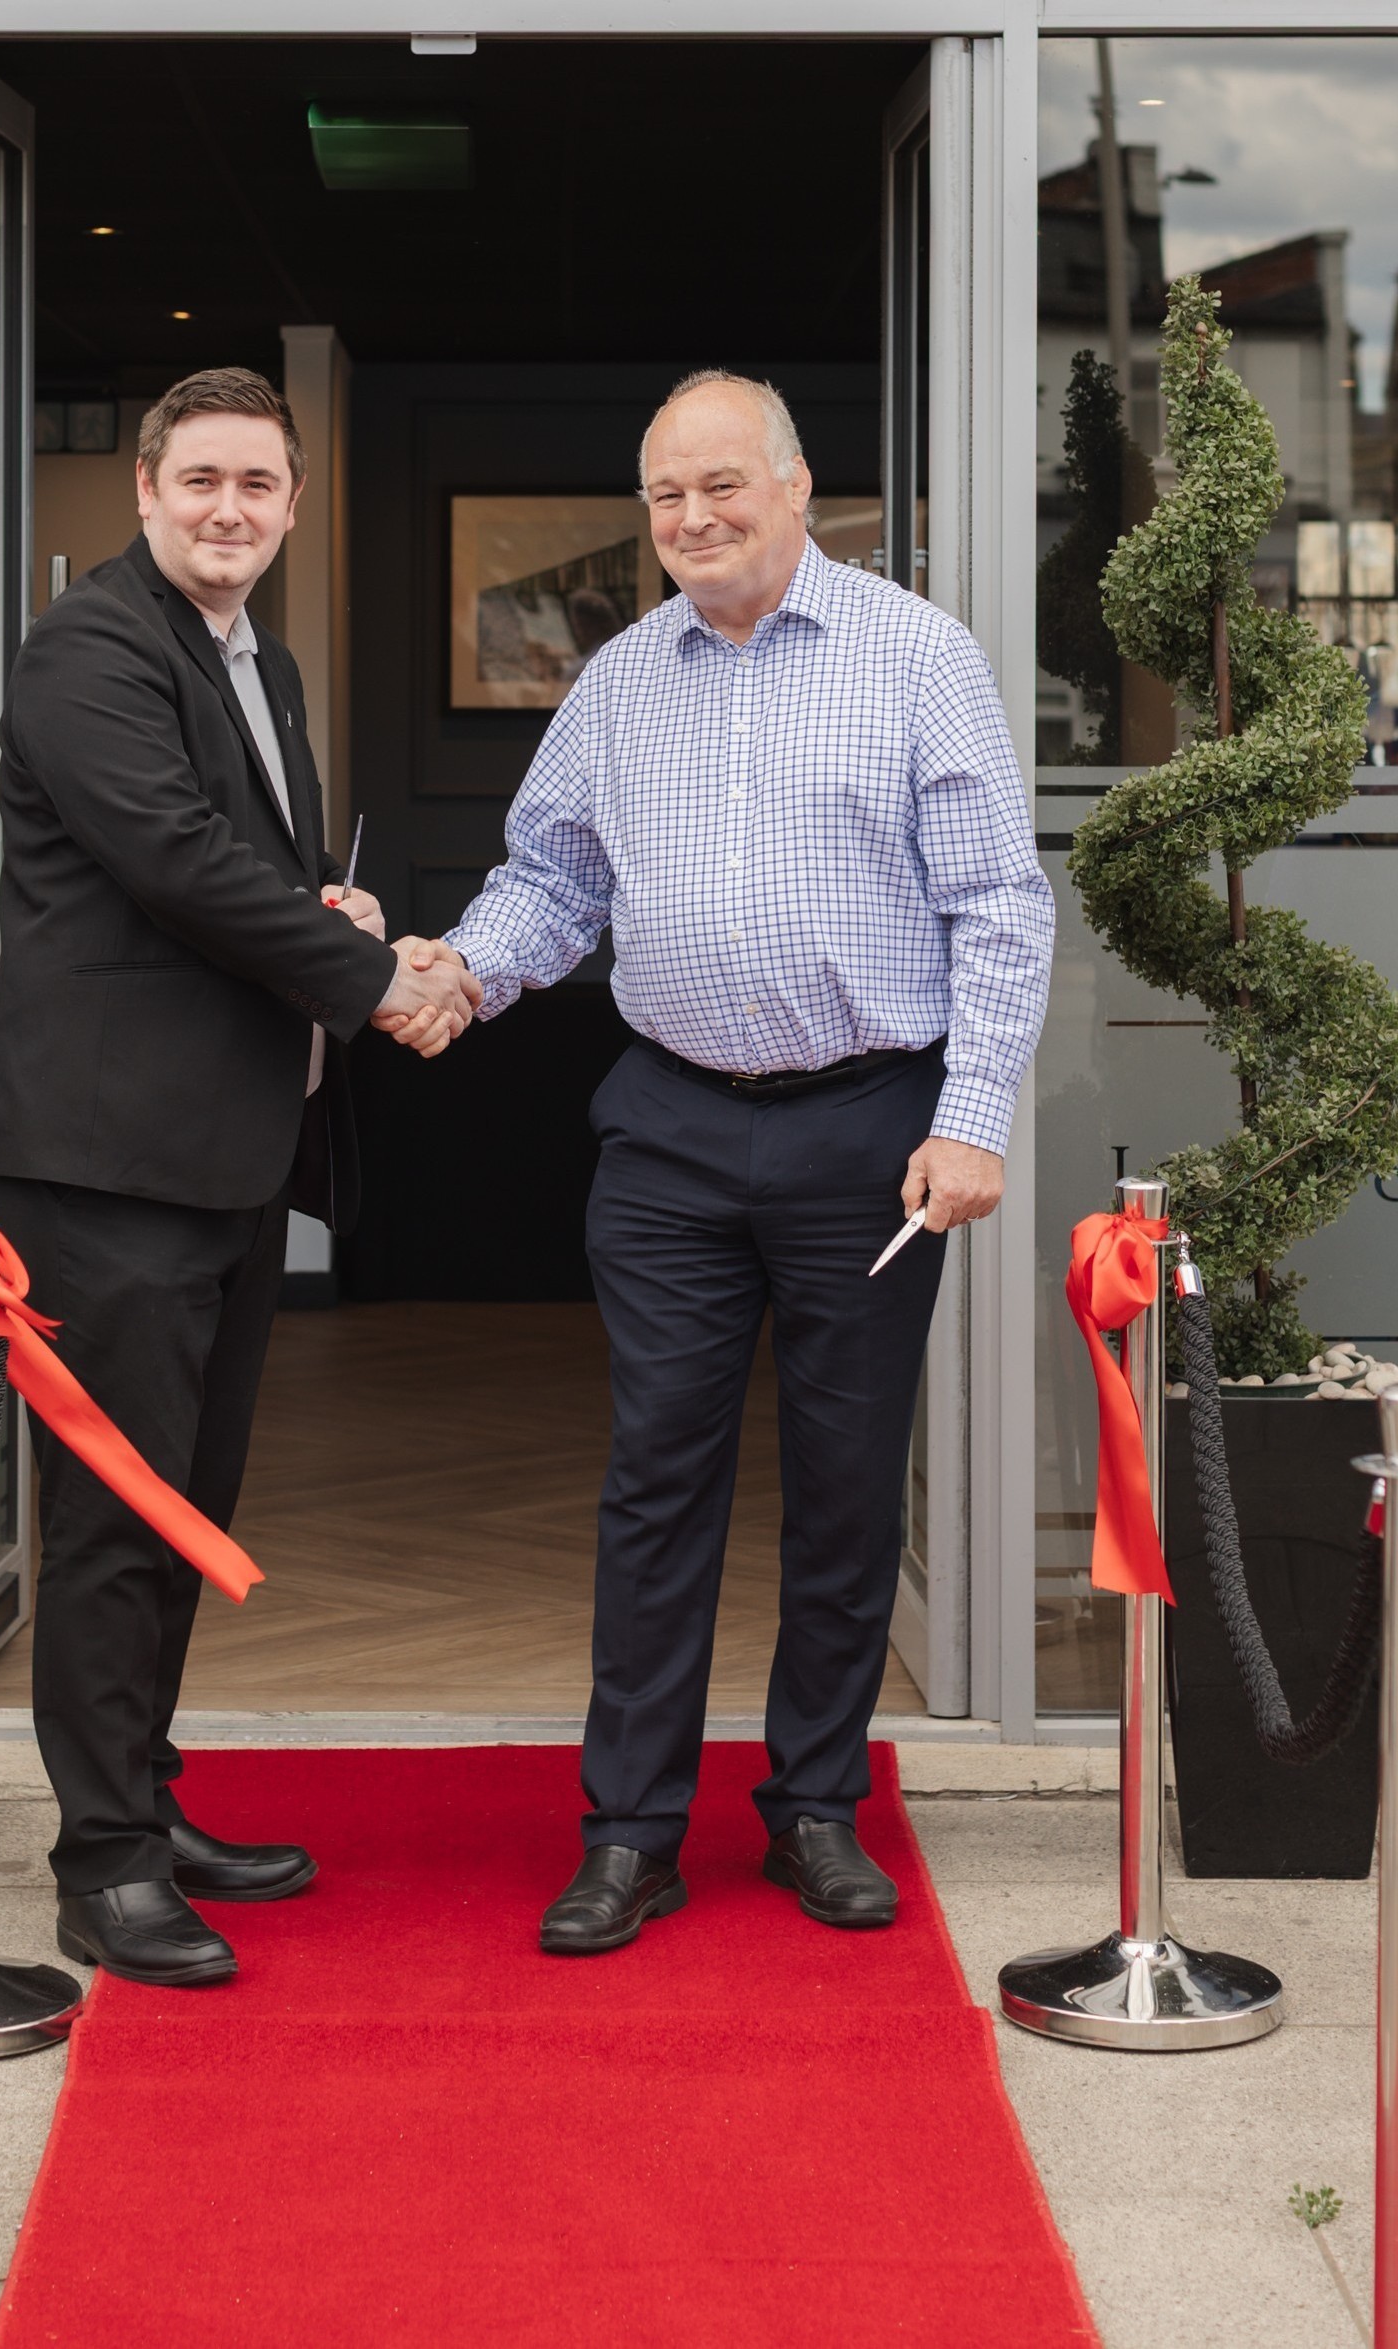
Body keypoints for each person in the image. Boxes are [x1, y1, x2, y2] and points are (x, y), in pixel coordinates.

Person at [420, 370, 1053, 1951]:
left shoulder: (917, 655)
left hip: (870, 1128)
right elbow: (548, 878)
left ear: (793, 484)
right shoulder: (622, 678)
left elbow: (999, 899)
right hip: (673, 1130)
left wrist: (972, 1113)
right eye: (664, 498)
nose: (692, 519)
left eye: (720, 486)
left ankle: (815, 1809)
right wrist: (456, 975)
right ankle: (630, 1828)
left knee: (845, 1490)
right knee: (657, 1483)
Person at [0, 367, 476, 1988]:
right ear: (142, 487)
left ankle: (147, 1802)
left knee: (187, 1507)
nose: (229, 510)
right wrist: (374, 983)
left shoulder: (261, 661)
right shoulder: (89, 649)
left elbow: (233, 866)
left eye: (259, 485)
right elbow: (173, 859)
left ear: (293, 503)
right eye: (200, 480)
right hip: (109, 1166)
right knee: (121, 1518)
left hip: (222, 1154)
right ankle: (102, 1864)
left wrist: (323, 911)